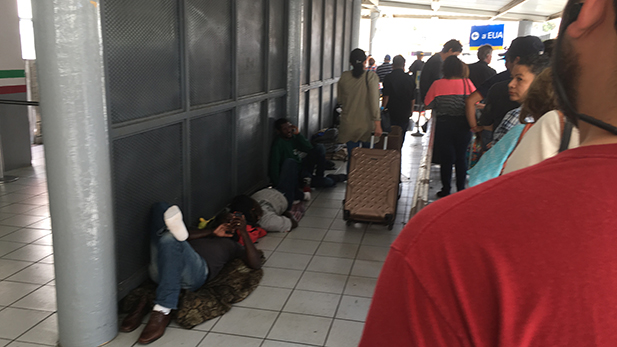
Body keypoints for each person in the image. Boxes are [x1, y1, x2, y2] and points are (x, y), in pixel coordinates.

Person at [360, 0, 617, 344]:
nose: (513, 83)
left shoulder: (452, 244)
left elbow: (433, 102)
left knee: (450, 164)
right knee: (456, 164)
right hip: (465, 134)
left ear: (590, 9)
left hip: (456, 135)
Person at [121, 203, 262, 344]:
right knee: (160, 208)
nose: (230, 221)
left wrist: (243, 232)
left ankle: (163, 309)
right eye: (227, 219)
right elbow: (189, 233)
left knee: (170, 237)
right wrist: (212, 232)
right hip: (160, 269)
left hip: (194, 274)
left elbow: (255, 263)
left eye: (234, 221)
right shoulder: (199, 232)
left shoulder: (232, 245)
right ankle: (176, 236)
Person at [502, 68, 580, 174]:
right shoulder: (590, 128)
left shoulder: (552, 121)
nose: (511, 84)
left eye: (520, 79)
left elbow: (515, 178)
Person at [467, 36, 544, 143]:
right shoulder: (555, 114)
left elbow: (471, 101)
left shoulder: (499, 84)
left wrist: (476, 128)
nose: (511, 85)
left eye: (520, 79)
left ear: (517, 60)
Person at [423, 56, 475, 197]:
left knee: (446, 158)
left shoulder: (437, 84)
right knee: (461, 157)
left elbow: (427, 104)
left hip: (444, 125)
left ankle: (446, 190)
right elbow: (475, 102)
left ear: (444, 68)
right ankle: (460, 190)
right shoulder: (467, 83)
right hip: (463, 125)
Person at [269, 118, 334, 208]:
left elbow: (309, 148)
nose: (288, 130)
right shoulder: (278, 144)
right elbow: (274, 166)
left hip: (303, 168)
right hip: (294, 175)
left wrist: (298, 134)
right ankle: (330, 178)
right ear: (278, 131)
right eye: (285, 129)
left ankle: (318, 176)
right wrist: (278, 185)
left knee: (319, 148)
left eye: (290, 127)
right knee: (329, 182)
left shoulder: (294, 138)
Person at [337, 48, 382, 172]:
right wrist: (378, 123)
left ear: (350, 62)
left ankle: (352, 183)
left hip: (349, 123)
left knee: (353, 156)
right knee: (367, 157)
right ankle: (364, 183)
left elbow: (340, 99)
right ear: (365, 61)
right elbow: (374, 102)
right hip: (367, 124)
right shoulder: (371, 77)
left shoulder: (344, 77)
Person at [491, 54, 550, 144]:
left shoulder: (516, 117)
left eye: (519, 79)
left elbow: (497, 154)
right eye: (512, 78)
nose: (511, 84)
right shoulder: (558, 116)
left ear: (539, 81)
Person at [382, 55, 416, 137]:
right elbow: (412, 98)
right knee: (401, 134)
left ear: (392, 65)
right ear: (404, 65)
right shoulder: (409, 78)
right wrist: (411, 110)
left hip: (391, 111)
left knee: (390, 134)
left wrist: (382, 109)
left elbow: (386, 96)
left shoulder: (388, 77)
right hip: (405, 111)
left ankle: (391, 149)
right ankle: (399, 148)